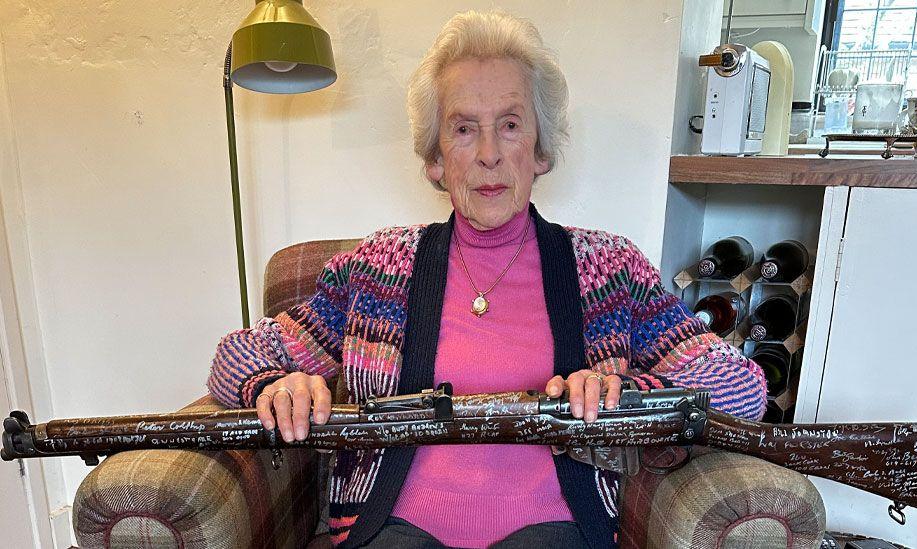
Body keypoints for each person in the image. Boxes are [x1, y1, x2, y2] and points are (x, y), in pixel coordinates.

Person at [208, 10, 766, 549]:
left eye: (510, 124)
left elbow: (744, 388)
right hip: (395, 527)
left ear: (540, 150)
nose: (491, 155)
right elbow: (232, 360)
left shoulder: (609, 269)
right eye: (464, 129)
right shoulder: (378, 269)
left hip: (554, 526)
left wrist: (630, 396)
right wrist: (276, 385)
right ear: (436, 159)